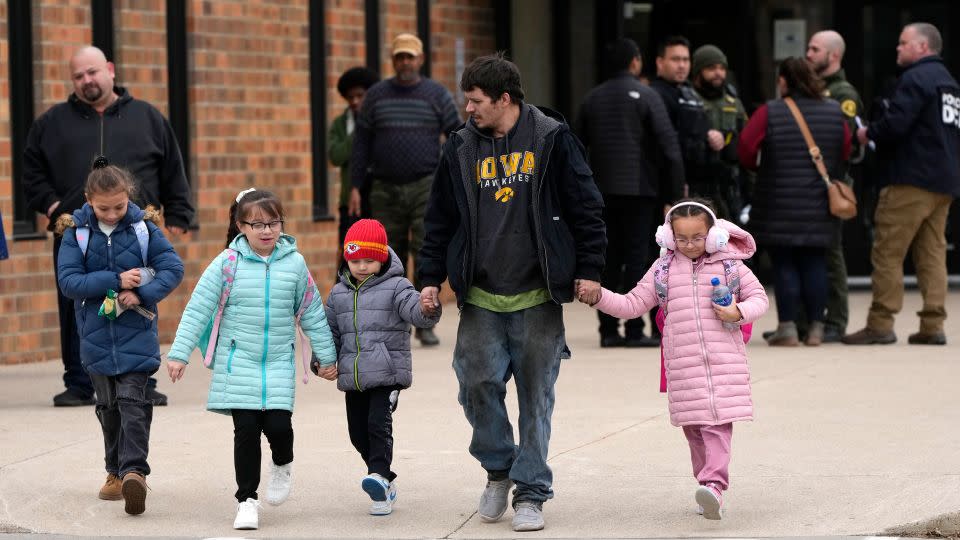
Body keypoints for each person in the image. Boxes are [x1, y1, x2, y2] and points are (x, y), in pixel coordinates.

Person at [418, 53, 606, 532]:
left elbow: (587, 208)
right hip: (481, 294)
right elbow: (439, 219)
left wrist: (589, 268)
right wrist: (430, 277)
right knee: (476, 387)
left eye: (477, 101)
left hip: (537, 294)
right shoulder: (460, 147)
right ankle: (499, 469)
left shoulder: (552, 139)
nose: (468, 109)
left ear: (505, 99)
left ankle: (532, 491)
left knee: (536, 396)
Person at [22, 46, 194, 407]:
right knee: (78, 306)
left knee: (138, 302)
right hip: (78, 232)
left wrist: (179, 212)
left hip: (136, 231)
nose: (87, 81)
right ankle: (81, 382)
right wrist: (56, 206)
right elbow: (31, 174)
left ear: (110, 70)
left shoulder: (147, 117)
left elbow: (172, 168)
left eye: (92, 72)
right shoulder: (50, 123)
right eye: (79, 76)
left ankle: (140, 382)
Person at [577, 199, 769, 521]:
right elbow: (632, 304)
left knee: (717, 427)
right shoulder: (663, 269)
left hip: (723, 366)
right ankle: (706, 486)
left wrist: (738, 311)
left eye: (697, 237)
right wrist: (600, 297)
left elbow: (759, 298)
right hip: (683, 368)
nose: (690, 245)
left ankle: (715, 486)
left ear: (713, 235)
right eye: (682, 238)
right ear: (668, 237)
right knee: (695, 431)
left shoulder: (731, 266)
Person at [164, 189, 337, 530]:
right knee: (245, 431)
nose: (266, 230)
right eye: (256, 224)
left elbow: (312, 313)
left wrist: (327, 357)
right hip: (237, 362)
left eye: (273, 222)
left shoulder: (295, 263)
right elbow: (198, 308)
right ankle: (246, 500)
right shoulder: (227, 263)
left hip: (276, 362)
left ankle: (282, 462)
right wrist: (179, 353)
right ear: (240, 225)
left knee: (278, 428)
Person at [54, 165, 184, 515]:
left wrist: (142, 294)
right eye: (103, 208)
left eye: (119, 206)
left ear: (129, 198)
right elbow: (69, 282)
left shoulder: (144, 229)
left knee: (133, 401)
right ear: (88, 201)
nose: (112, 214)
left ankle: (134, 472)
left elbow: (173, 269)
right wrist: (116, 279)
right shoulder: (76, 234)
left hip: (137, 334)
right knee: (108, 408)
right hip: (95, 338)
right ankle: (114, 472)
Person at [843, 23, 960, 346]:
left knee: (888, 252)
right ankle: (933, 325)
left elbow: (895, 125)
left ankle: (880, 323)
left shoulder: (915, 79)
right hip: (943, 182)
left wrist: (869, 132)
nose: (897, 48)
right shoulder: (949, 84)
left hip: (910, 179)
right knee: (933, 253)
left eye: (903, 43)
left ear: (922, 47)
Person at [322, 219, 440, 516]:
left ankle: (378, 476)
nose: (361, 267)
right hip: (354, 377)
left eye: (369, 260)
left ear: (383, 258)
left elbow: (416, 312)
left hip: (387, 374)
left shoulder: (397, 286)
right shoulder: (338, 294)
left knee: (377, 422)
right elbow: (330, 333)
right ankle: (383, 480)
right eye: (355, 260)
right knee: (357, 433)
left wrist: (427, 308)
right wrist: (321, 361)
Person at [348, 33, 461, 347]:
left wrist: (456, 182)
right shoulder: (376, 96)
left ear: (420, 59)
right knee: (385, 257)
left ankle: (425, 321)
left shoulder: (436, 95)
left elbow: (457, 138)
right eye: (400, 57)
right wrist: (356, 186)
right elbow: (361, 144)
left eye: (410, 57)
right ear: (393, 60)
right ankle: (390, 323)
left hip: (427, 184)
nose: (405, 62)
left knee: (427, 254)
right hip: (385, 187)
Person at [576, 38, 684, 349]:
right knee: (638, 258)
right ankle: (636, 329)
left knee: (606, 258)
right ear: (636, 62)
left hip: (600, 192)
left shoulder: (591, 99)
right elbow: (669, 147)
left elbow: (576, 146)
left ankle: (608, 330)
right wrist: (674, 193)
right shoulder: (648, 96)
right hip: (640, 190)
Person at [738, 57, 851, 346]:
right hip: (818, 203)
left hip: (778, 202)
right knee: (815, 262)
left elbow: (746, 149)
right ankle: (815, 328)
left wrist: (762, 168)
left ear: (785, 81)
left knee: (784, 263)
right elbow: (846, 149)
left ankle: (787, 328)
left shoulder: (770, 111)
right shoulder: (835, 111)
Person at [802, 30, 866, 343]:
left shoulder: (843, 94)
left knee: (831, 252)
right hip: (806, 181)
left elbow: (848, 144)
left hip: (831, 182)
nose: (809, 54)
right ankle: (804, 319)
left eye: (815, 49)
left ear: (833, 55)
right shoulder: (812, 88)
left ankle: (836, 321)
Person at [650, 36, 725, 203]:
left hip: (700, 186)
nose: (682, 65)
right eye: (675, 59)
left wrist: (713, 136)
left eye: (685, 59)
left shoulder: (688, 92)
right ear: (660, 62)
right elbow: (661, 149)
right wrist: (672, 191)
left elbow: (697, 131)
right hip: (671, 190)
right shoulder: (654, 95)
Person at [691, 44, 750, 222]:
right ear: (698, 71)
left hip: (728, 184)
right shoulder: (688, 100)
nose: (718, 73)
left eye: (722, 68)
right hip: (697, 181)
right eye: (711, 68)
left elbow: (747, 141)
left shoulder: (733, 103)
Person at [329, 67, 379, 251]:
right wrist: (359, 133)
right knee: (349, 251)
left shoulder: (380, 120)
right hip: (349, 200)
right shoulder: (340, 124)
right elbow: (335, 155)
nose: (355, 101)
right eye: (351, 97)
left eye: (360, 95)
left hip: (377, 195)